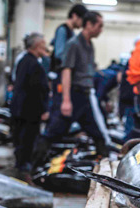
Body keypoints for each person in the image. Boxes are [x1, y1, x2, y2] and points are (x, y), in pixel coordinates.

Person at [33, 11, 109, 167]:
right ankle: (33, 167)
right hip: (73, 96)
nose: (101, 30)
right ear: (88, 24)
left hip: (85, 97)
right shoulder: (73, 44)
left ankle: (106, 171)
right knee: (52, 133)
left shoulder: (89, 45)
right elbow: (66, 72)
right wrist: (66, 101)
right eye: (99, 26)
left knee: (98, 135)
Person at [10, 33, 50, 182]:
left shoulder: (23, 60)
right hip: (30, 110)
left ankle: (20, 166)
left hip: (19, 108)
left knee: (19, 139)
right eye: (43, 45)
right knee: (28, 140)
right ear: (37, 46)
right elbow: (39, 89)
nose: (45, 48)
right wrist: (44, 109)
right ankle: (24, 170)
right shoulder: (34, 64)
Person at [48, 4, 87, 143]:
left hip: (67, 78)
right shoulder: (63, 30)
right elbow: (60, 54)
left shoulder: (70, 33)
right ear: (75, 16)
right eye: (82, 20)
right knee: (58, 114)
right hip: (60, 78)